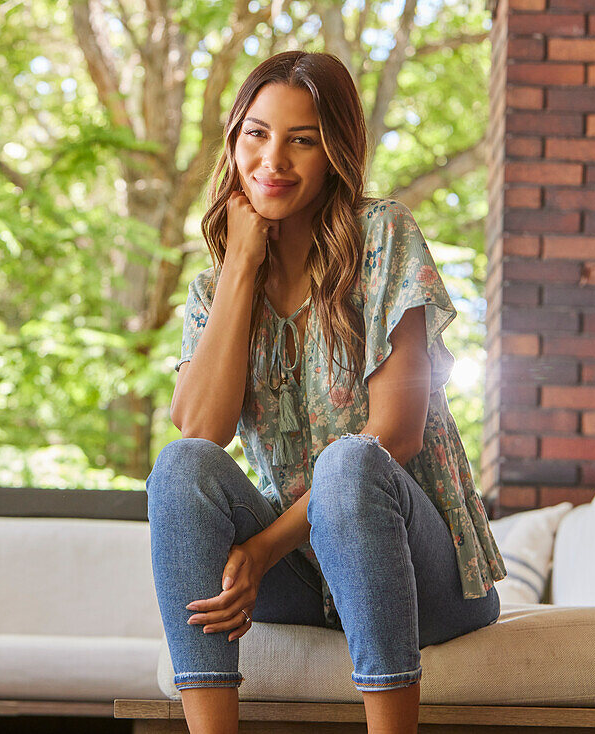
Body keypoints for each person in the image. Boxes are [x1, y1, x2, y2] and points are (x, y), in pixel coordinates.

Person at [146, 50, 506, 734]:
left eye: (301, 139)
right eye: (256, 133)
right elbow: (199, 428)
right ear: (233, 142)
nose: (273, 159)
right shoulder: (214, 289)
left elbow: (394, 435)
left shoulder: (383, 239)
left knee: (351, 459)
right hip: (309, 580)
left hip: (422, 572)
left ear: (335, 150)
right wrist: (243, 266)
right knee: (180, 468)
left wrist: (261, 550)